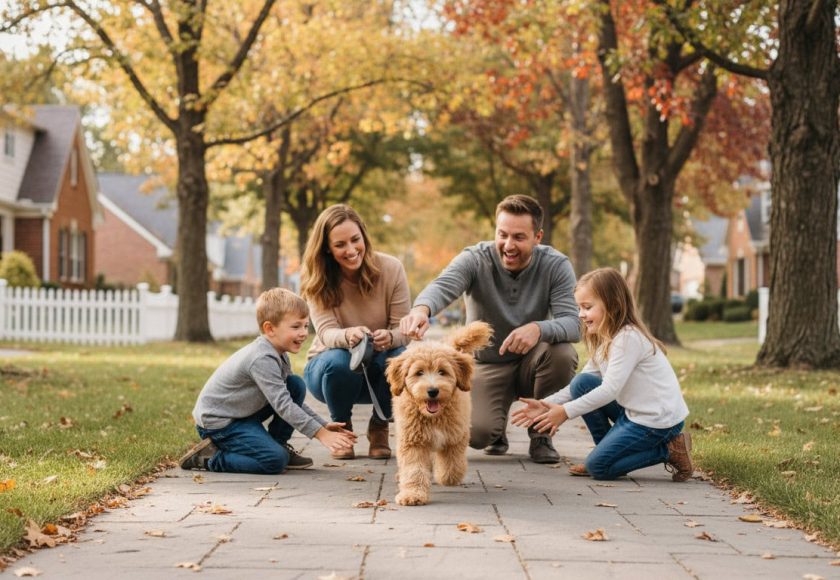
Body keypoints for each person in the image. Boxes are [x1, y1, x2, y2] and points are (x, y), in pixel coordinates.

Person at [400, 194, 580, 464]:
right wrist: (421, 310)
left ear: (538, 236)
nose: (508, 245)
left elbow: (574, 323)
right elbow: (443, 285)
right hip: (487, 365)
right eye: (502, 234)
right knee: (476, 434)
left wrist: (538, 328)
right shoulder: (475, 258)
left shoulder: (556, 265)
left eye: (519, 237)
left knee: (563, 354)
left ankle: (541, 435)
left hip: (533, 361)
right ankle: (496, 431)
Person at [511, 267, 693, 481]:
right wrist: (544, 404)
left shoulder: (628, 339)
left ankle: (670, 450)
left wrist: (565, 412)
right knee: (582, 382)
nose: (581, 314)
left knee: (599, 469)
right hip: (634, 414)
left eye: (587, 307)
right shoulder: (608, 338)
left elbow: (609, 390)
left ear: (613, 305)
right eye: (579, 308)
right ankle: (608, 453)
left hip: (658, 422)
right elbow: (577, 387)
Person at [179, 288, 356, 474]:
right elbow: (283, 405)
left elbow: (288, 398)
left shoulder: (278, 353)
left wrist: (322, 424)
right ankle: (209, 458)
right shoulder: (261, 358)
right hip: (221, 424)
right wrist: (320, 434)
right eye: (296, 327)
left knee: (295, 385)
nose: (304, 333)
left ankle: (278, 444)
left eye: (306, 326)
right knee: (274, 461)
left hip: (243, 412)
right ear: (270, 328)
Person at [301, 204, 410, 460]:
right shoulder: (317, 277)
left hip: (378, 367)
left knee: (400, 356)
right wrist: (348, 335)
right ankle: (343, 429)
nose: (351, 250)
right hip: (329, 371)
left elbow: (403, 329)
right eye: (340, 245)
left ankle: (380, 426)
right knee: (339, 360)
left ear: (364, 235)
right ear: (327, 247)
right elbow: (326, 332)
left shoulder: (391, 269)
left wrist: (389, 337)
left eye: (355, 240)